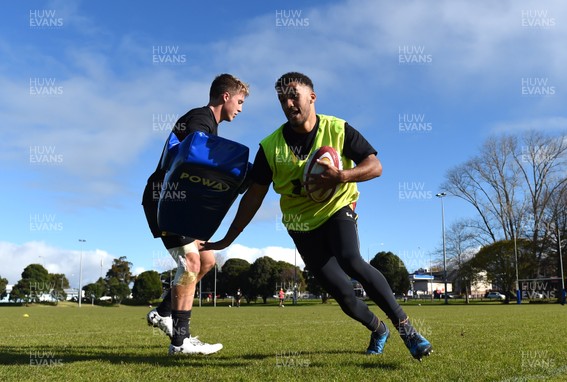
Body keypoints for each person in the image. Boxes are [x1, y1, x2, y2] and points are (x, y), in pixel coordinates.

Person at [201, 72, 432, 360]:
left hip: (337, 208)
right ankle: (378, 328)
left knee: (351, 259)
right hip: (301, 223)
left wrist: (342, 176)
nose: (288, 103)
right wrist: (227, 239)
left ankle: (407, 330)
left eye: (293, 95)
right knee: (341, 292)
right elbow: (253, 199)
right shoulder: (270, 147)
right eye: (282, 99)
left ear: (312, 97)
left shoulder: (338, 128)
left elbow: (375, 165)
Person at [142, 73, 249, 355]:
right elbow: (195, 156)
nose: (240, 108)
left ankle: (163, 312)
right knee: (190, 262)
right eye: (239, 101)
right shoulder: (201, 120)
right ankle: (180, 341)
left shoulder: (208, 125)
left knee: (205, 260)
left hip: (179, 200)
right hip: (165, 200)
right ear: (225, 96)